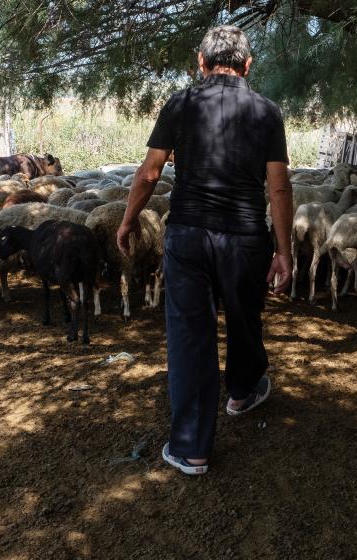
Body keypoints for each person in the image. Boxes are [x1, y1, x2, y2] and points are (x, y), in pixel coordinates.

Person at [117, 25, 293, 476]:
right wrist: (284, 250)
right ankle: (243, 391)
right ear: (248, 66)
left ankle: (192, 448)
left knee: (190, 336)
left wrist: (129, 218)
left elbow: (151, 172)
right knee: (243, 316)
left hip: (189, 235)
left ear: (201, 62)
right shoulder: (267, 112)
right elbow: (278, 185)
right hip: (245, 236)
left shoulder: (181, 103)